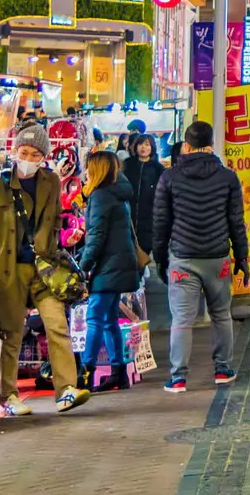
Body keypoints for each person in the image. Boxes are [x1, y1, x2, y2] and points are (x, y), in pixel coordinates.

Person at [0, 124, 89, 415]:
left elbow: (54, 219)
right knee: (12, 334)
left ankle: (66, 389)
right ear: (15, 152)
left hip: (44, 268)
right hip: (10, 270)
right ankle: (8, 396)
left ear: (44, 157)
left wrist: (53, 243)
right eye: (24, 152)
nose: (28, 158)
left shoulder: (50, 182)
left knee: (57, 326)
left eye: (35, 153)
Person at [152, 120, 250, 393]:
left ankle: (179, 377)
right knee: (221, 314)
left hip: (182, 258)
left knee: (182, 320)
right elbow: (236, 222)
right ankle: (223, 369)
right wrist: (242, 256)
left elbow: (160, 222)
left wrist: (160, 258)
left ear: (186, 145)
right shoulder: (228, 177)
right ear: (212, 145)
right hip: (217, 257)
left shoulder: (169, 177)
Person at [77, 149, 143, 393]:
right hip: (119, 263)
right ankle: (118, 373)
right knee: (109, 320)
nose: (84, 173)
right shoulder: (118, 192)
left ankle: (85, 374)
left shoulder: (101, 195)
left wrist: (83, 266)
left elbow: (96, 236)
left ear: (97, 170)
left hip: (108, 266)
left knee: (94, 319)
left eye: (88, 168)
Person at [123, 133, 163, 273]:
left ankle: (137, 283)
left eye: (147, 144)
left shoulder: (158, 169)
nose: (143, 147)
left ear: (152, 147)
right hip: (128, 218)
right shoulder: (127, 165)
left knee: (144, 252)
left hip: (149, 220)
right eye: (141, 144)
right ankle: (133, 287)